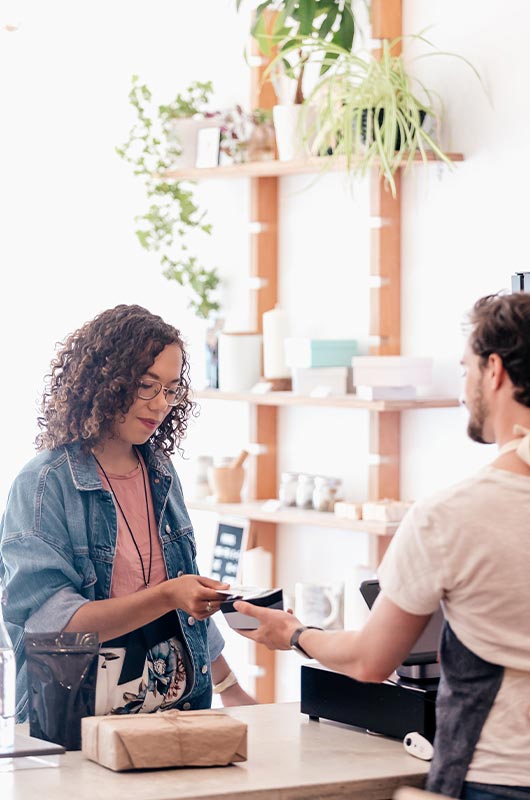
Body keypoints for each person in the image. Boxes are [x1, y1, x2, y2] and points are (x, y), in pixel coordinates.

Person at [234, 292, 530, 800]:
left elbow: (371, 660)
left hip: (499, 776)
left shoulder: (453, 513)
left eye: (466, 370)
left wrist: (295, 633)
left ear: (495, 370)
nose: (463, 389)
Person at [0, 303, 255, 718]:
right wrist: (168, 594)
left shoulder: (160, 472)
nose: (160, 405)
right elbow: (50, 626)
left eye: (171, 390)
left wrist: (231, 687)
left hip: (180, 718)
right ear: (105, 380)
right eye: (146, 385)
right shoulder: (45, 484)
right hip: (78, 727)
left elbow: (186, 609)